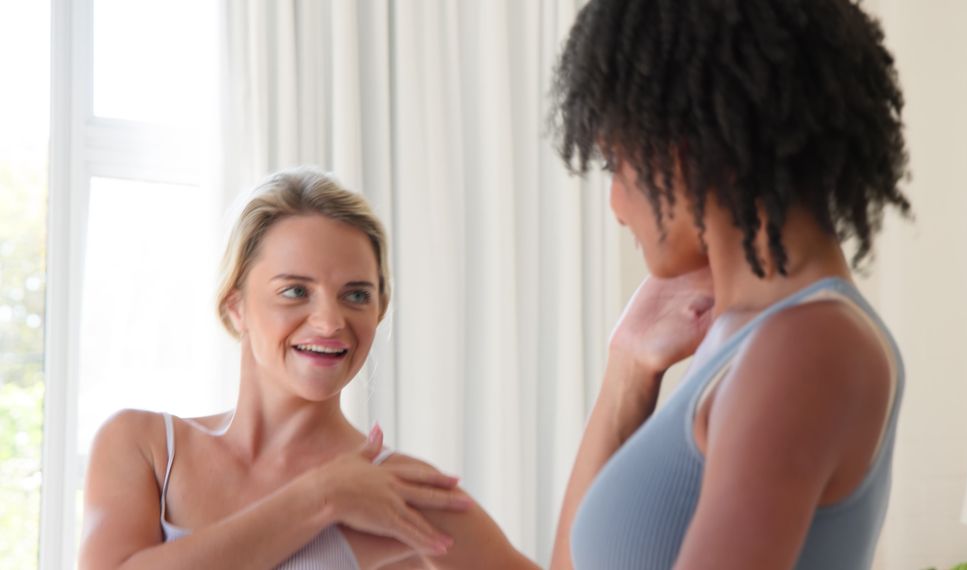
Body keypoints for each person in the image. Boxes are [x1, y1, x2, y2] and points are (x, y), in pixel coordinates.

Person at [548, 0, 911, 568]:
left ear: (686, 148)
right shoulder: (747, 337)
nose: (617, 206)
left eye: (616, 164)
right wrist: (627, 371)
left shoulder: (806, 347)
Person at [79, 168, 538, 569]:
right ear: (235, 306)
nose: (331, 322)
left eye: (357, 294)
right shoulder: (145, 449)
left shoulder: (401, 495)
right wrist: (322, 496)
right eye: (296, 291)